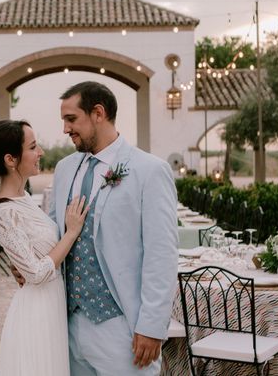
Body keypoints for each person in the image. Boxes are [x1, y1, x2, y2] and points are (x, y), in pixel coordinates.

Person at [44, 81, 178, 375]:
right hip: (67, 325)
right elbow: (52, 232)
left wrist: (152, 326)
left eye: (71, 119)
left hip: (122, 327)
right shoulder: (66, 168)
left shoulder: (149, 170)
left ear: (98, 113)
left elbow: (162, 253)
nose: (65, 129)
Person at [0, 119, 89, 376]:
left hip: (52, 301)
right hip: (38, 310)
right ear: (10, 160)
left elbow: (31, 255)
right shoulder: (5, 212)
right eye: (33, 147)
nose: (41, 153)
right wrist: (71, 233)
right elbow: (35, 273)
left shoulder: (23, 198)